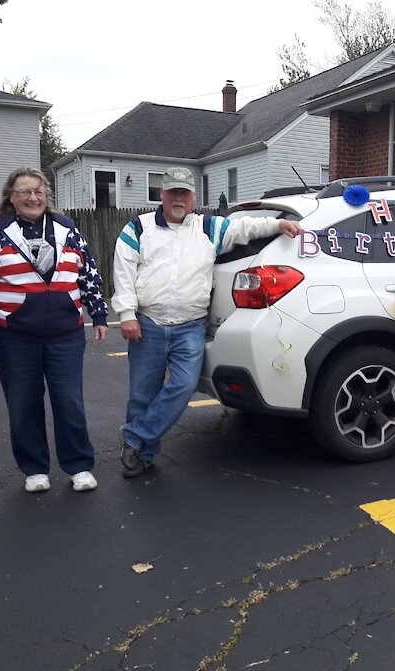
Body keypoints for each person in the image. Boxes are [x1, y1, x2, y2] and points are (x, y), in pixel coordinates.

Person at [112, 167, 300, 477]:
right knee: (142, 394)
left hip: (190, 326)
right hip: (148, 324)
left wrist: (280, 224)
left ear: (194, 197)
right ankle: (142, 455)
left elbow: (248, 229)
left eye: (184, 193)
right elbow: (123, 274)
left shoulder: (209, 227)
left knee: (184, 386)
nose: (178, 199)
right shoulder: (137, 230)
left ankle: (134, 437)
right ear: (162, 194)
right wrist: (127, 315)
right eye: (173, 192)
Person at [0, 167, 110, 493]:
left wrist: (99, 315)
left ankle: (79, 466)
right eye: (24, 192)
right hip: (14, 337)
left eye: (39, 191)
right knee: (23, 405)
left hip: (66, 336)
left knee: (69, 402)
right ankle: (34, 470)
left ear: (46, 196)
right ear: (11, 199)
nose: (33, 197)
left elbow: (88, 275)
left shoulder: (68, 230)